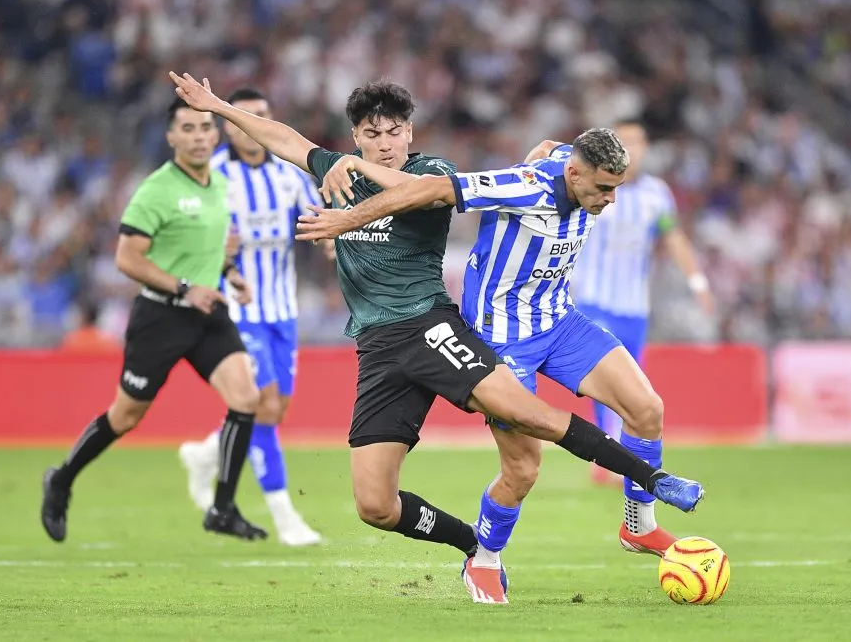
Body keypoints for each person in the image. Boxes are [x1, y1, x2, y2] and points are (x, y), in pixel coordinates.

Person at [170, 72, 703, 606]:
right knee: (375, 504)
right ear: (356, 135)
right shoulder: (336, 172)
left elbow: (422, 195)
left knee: (546, 421)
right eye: (373, 134)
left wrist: (346, 215)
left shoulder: (431, 171)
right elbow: (283, 138)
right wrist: (217, 104)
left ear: (409, 133)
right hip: (378, 349)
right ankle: (474, 545)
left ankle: (648, 487)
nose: (386, 143)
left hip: (433, 326)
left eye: (396, 131)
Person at [293, 128, 706, 597]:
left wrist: (542, 149)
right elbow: (431, 190)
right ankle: (484, 558)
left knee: (647, 409)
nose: (611, 200)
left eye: (617, 187)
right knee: (523, 470)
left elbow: (552, 146)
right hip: (504, 337)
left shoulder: (573, 161)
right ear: (575, 175)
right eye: (604, 189)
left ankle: (638, 525)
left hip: (559, 321)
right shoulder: (522, 187)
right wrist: (346, 221)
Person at [40, 97, 266, 544]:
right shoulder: (156, 190)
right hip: (160, 316)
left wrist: (231, 274)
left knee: (246, 397)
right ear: (171, 138)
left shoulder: (220, 185)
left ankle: (222, 508)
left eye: (205, 128)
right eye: (189, 129)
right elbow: (127, 258)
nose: (199, 136)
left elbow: (206, 251)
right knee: (125, 417)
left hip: (207, 312)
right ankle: (62, 479)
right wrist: (184, 287)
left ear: (215, 135)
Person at [178, 87, 324, 547]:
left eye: (262, 115)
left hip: (283, 308)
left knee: (274, 409)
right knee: (262, 404)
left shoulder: (289, 174)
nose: (254, 125)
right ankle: (284, 516)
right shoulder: (212, 175)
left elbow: (319, 222)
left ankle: (207, 453)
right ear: (229, 125)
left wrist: (333, 244)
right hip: (235, 310)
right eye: (245, 117)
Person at [571, 120, 714, 485]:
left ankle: (618, 452)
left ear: (647, 148)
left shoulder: (657, 195)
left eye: (638, 142)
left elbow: (674, 238)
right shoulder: (592, 184)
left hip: (635, 306)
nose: (632, 149)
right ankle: (607, 456)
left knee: (633, 384)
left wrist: (697, 281)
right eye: (625, 142)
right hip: (594, 301)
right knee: (603, 379)